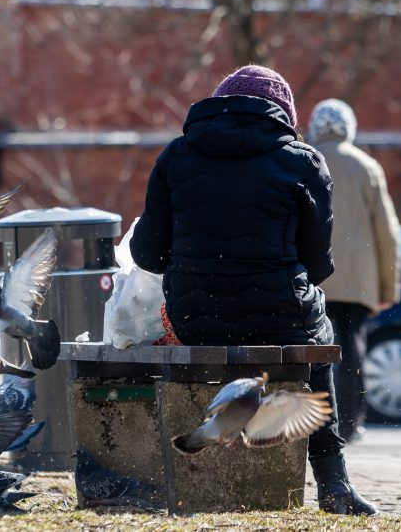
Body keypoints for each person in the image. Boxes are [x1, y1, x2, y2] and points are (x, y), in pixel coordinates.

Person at [130, 65, 377, 516]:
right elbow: (318, 266)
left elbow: (147, 255)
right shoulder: (303, 161)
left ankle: (165, 468)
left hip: (193, 313)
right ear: (283, 113)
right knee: (317, 333)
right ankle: (333, 481)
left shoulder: (175, 156)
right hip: (280, 314)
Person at [308, 98, 401, 442]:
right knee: (352, 348)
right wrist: (388, 288)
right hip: (358, 283)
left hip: (314, 277)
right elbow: (387, 233)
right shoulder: (366, 167)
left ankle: (317, 421)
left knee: (314, 348)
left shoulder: (305, 159)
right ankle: (350, 422)